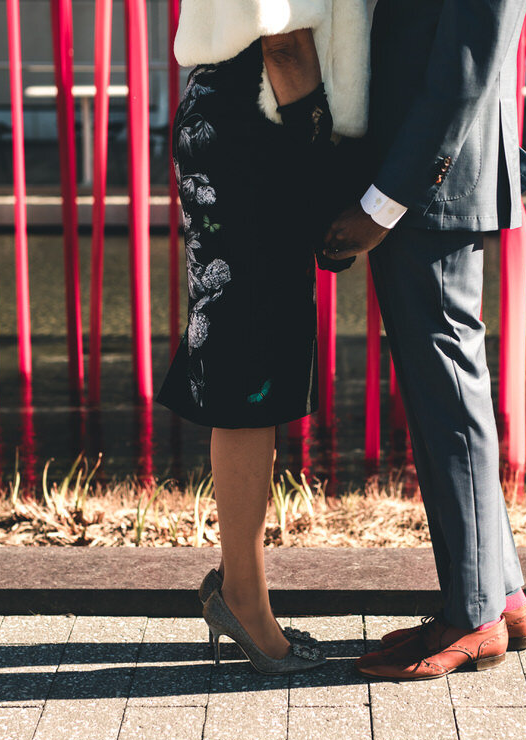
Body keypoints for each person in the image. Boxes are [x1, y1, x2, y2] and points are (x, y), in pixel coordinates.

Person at [323, 0, 526, 680]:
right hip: (417, 180)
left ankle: (475, 616)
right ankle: (496, 595)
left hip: (428, 191)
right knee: (444, 397)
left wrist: (382, 204)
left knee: (449, 399)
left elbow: (463, 72)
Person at [156, 0, 371, 674]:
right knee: (250, 368)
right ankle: (245, 602)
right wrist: (326, 180)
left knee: (252, 356)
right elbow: (284, 44)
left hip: (244, 119)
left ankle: (240, 588)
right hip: (260, 124)